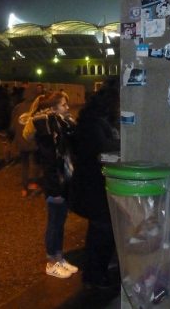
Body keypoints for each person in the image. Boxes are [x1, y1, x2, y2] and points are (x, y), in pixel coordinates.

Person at [69, 78, 120, 289]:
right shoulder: (94, 122)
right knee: (102, 231)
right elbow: (101, 148)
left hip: (95, 184)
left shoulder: (98, 119)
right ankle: (94, 276)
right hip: (93, 186)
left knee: (101, 230)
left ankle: (96, 273)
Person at [24, 91, 78, 278]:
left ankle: (59, 257)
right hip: (55, 182)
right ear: (53, 108)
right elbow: (51, 161)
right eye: (64, 105)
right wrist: (56, 186)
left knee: (60, 222)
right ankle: (51, 263)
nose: (67, 108)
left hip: (62, 181)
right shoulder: (47, 129)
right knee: (54, 223)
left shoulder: (59, 126)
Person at [10, 86, 42, 197]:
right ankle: (34, 183)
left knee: (24, 164)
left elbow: (13, 127)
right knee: (36, 162)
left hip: (22, 141)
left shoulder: (18, 108)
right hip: (34, 140)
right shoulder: (38, 108)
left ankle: (24, 188)